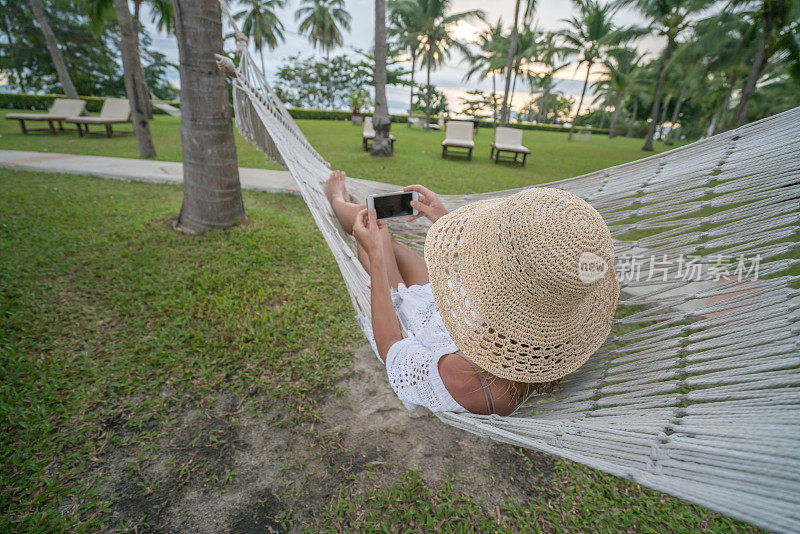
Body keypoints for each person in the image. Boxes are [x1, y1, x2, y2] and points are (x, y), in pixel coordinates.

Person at [325, 170, 619, 416]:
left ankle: (337, 200)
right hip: (455, 309)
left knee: (372, 231)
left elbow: (391, 347)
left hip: (414, 323)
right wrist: (442, 218)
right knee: (377, 229)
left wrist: (377, 259)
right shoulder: (552, 330)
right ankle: (355, 211)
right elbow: (526, 275)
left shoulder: (469, 378)